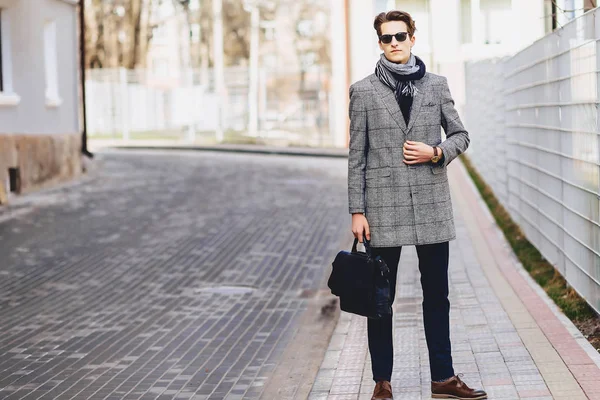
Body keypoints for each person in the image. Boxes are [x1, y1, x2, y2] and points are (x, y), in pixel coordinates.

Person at [347, 10, 487, 400]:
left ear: (412, 38)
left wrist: (436, 151)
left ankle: (443, 378)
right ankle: (382, 382)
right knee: (381, 300)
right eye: (387, 38)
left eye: (400, 36)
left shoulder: (436, 86)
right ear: (379, 42)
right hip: (381, 208)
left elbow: (461, 134)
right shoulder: (363, 91)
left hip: (430, 205)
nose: (394, 43)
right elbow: (356, 156)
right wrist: (356, 211)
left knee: (437, 296)